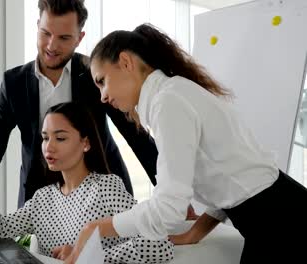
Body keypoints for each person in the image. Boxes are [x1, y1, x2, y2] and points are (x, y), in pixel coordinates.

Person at [65, 23, 307, 264]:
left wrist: (96, 228)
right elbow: (227, 178)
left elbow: (169, 209)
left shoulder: (168, 103)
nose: (103, 96)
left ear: (126, 62)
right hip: (277, 213)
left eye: (102, 81)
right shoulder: (173, 94)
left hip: (281, 222)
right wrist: (195, 232)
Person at [0, 0, 162, 230]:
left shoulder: (95, 74)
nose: (51, 45)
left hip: (99, 193)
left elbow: (135, 134)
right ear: (37, 24)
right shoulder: (14, 83)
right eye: (46, 33)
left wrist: (168, 193)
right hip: (39, 197)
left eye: (64, 38)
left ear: (79, 38)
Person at [0, 102, 174, 263]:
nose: (49, 147)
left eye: (60, 138)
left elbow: (157, 244)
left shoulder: (106, 188)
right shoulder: (43, 198)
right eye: (45, 137)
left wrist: (86, 258)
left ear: (85, 143)